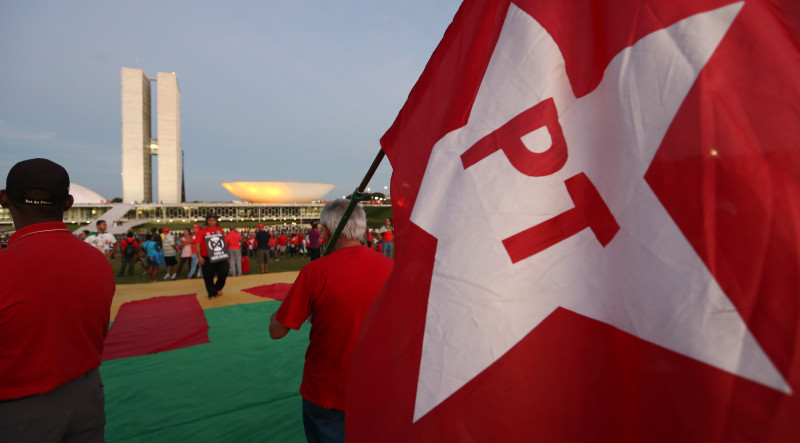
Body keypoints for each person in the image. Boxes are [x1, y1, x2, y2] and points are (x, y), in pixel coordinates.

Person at [0, 158, 114, 442]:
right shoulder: (97, 261)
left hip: (18, 406)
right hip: (87, 394)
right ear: (68, 203)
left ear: (4, 199)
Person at [269, 199, 393, 443]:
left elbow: (277, 330)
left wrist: (279, 312)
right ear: (364, 230)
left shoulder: (315, 272)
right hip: (380, 384)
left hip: (327, 390)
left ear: (325, 232)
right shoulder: (392, 267)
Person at [196, 214, 229, 299]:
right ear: (207, 221)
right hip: (206, 257)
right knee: (208, 276)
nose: (212, 222)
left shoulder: (219, 230)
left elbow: (224, 243)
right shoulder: (201, 231)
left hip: (220, 256)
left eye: (214, 220)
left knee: (224, 271)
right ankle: (212, 293)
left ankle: (218, 288)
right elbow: (197, 244)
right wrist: (199, 256)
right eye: (210, 220)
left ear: (216, 221)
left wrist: (226, 255)